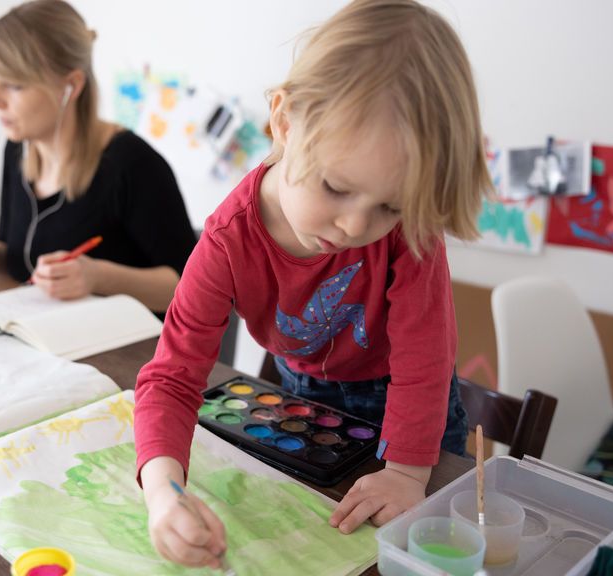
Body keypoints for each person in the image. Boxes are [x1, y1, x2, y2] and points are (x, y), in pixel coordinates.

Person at [133, 0, 490, 568]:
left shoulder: (411, 228)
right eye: (335, 186)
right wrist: (162, 494)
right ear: (285, 119)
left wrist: (403, 471)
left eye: (388, 207)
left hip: (412, 408)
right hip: (307, 394)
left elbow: (424, 360)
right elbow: (172, 378)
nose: (355, 227)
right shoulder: (229, 239)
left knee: (410, 549)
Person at [0, 0, 197, 313]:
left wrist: (99, 277)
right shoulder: (17, 149)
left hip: (127, 353)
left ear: (70, 86)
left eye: (14, 85)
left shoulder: (133, 164)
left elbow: (191, 287)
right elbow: (19, 255)